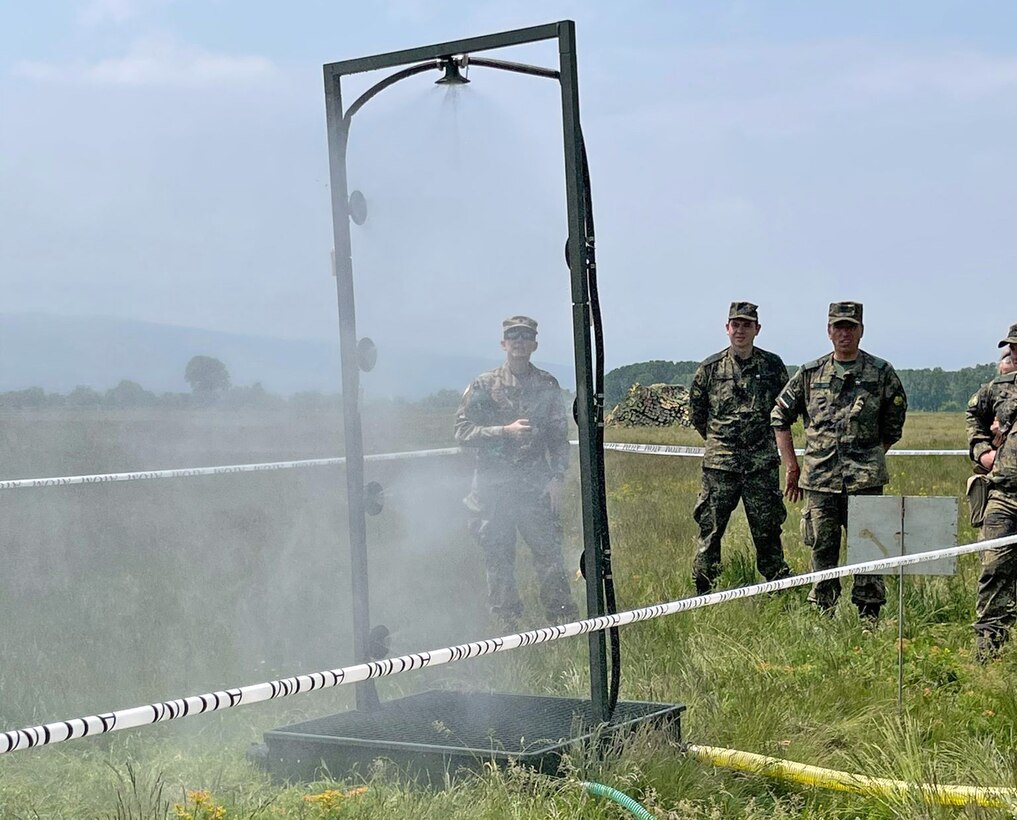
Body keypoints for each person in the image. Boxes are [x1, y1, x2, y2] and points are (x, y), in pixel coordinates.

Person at [771, 301, 908, 622]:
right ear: (828, 331)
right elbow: (780, 416)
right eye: (838, 327)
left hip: (866, 483)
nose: (844, 333)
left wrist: (869, 457)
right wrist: (792, 466)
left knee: (870, 551)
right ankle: (824, 614)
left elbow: (894, 424)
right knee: (822, 550)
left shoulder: (881, 373)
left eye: (851, 327)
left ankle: (869, 617)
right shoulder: (809, 374)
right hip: (820, 482)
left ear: (861, 331)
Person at [454, 315, 579, 627]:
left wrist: (557, 477)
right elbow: (462, 432)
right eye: (513, 336)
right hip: (494, 490)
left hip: (535, 489)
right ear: (503, 343)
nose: (520, 342)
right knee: (498, 559)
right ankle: (508, 625)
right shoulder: (483, 385)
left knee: (550, 556)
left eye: (526, 336)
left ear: (534, 344)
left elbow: (558, 439)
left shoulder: (547, 385)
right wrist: (504, 431)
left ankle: (561, 622)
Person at [688, 301, 793, 594]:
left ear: (757, 329)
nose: (741, 330)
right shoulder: (709, 368)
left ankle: (777, 590)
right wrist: (720, 444)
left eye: (747, 325)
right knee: (710, 531)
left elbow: (784, 410)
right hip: (720, 468)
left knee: (768, 530)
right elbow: (698, 414)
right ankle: (704, 590)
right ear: (727, 328)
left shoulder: (772, 367)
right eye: (736, 324)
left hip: (760, 466)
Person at [966, 323, 1017, 660]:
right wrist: (982, 450)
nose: (1014, 354)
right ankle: (989, 651)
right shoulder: (998, 388)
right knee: (994, 569)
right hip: (1004, 495)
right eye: (1012, 348)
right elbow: (973, 414)